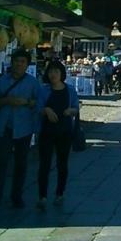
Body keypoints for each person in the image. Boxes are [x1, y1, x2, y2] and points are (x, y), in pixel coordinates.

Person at [0, 49, 39, 213]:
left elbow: (38, 103)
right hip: (5, 126)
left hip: (24, 127)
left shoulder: (32, 82)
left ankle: (17, 196)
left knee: (21, 164)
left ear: (27, 65)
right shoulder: (2, 81)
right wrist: (7, 100)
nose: (19, 64)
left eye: (23, 62)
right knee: (1, 163)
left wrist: (26, 102)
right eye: (17, 61)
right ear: (12, 63)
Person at [36, 58, 81, 211]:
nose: (53, 74)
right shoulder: (43, 90)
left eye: (56, 71)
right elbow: (38, 108)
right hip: (46, 131)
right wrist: (46, 110)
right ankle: (42, 196)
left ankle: (60, 193)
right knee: (44, 164)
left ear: (62, 73)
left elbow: (76, 107)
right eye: (51, 71)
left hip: (64, 131)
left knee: (62, 163)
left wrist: (71, 111)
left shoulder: (69, 90)